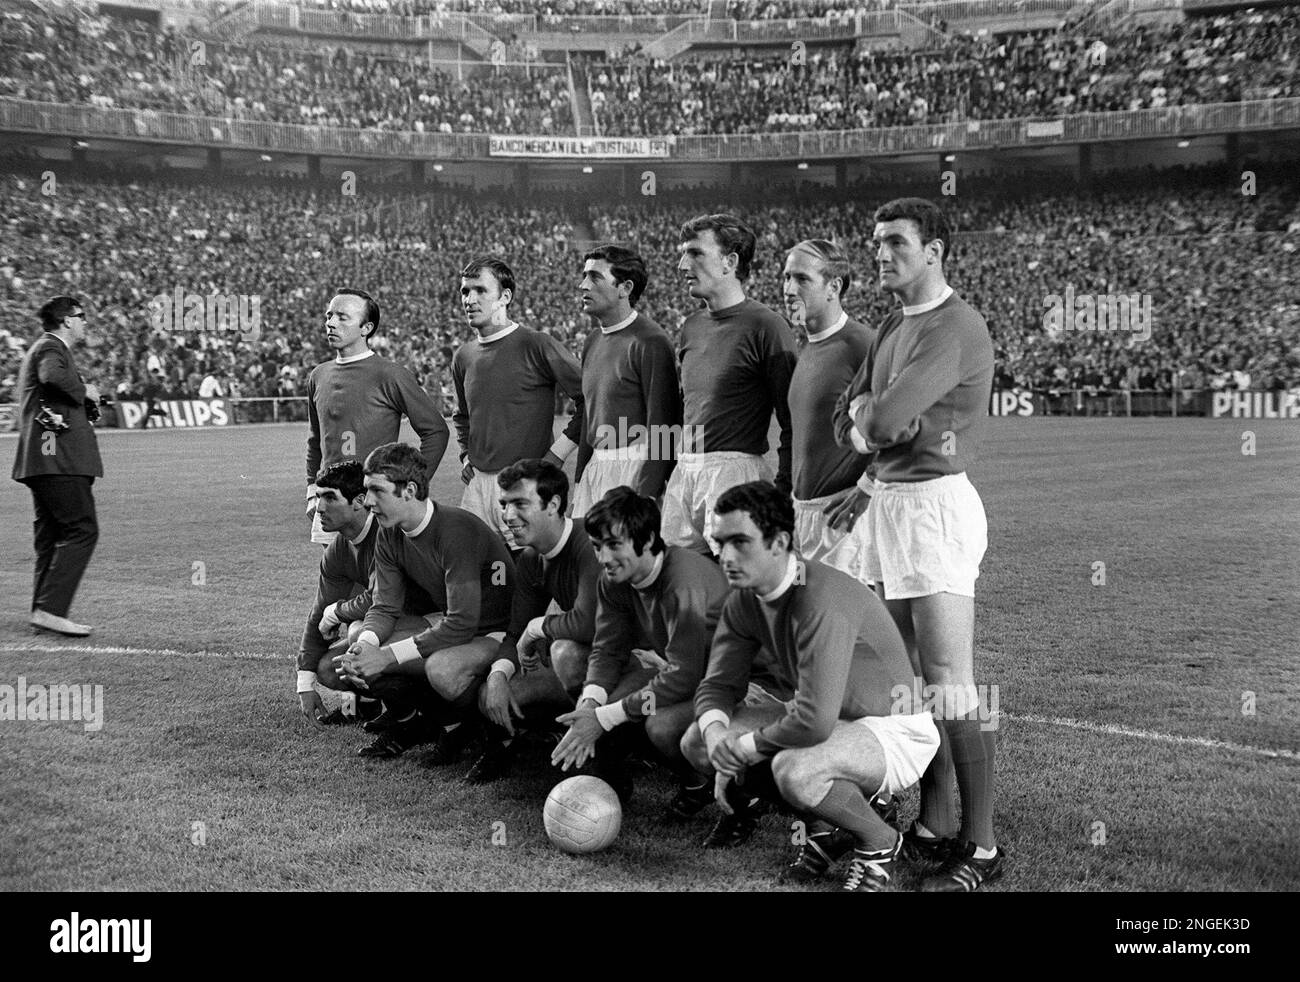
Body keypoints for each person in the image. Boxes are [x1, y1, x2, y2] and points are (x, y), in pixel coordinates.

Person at [832, 197, 1001, 891]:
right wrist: (869, 436)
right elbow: (861, 409)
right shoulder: (893, 326)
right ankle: (932, 823)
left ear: (935, 251)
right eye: (876, 243)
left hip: (935, 509)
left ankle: (983, 846)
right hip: (890, 507)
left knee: (950, 679)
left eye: (897, 242)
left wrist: (871, 419)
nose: (882, 254)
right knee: (907, 680)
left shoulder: (954, 326)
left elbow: (884, 416)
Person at [683, 482, 937, 891]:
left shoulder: (819, 597)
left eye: (740, 542)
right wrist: (717, 739)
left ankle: (878, 841)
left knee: (795, 770)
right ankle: (818, 826)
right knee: (697, 741)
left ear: (780, 542)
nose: (725, 556)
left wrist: (742, 750)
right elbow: (717, 685)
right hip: (824, 717)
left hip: (892, 730)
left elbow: (815, 722)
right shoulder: (745, 597)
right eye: (720, 542)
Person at [552, 486, 729, 827]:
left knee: (659, 724)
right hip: (688, 673)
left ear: (647, 540)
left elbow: (684, 675)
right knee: (611, 706)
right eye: (597, 547)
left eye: (614, 545)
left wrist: (605, 717)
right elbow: (608, 648)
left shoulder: (682, 580)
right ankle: (617, 779)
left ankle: (733, 795)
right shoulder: (614, 578)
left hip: (739, 682)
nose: (603, 558)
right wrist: (590, 707)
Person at [338, 443, 514, 763]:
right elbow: (385, 606)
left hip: (497, 633)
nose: (368, 501)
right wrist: (365, 647)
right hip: (455, 627)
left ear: (410, 490)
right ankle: (425, 724)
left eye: (377, 490)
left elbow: (462, 623)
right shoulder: (389, 531)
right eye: (366, 490)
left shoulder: (455, 529)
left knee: (442, 669)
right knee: (358, 637)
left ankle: (482, 730)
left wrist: (387, 656)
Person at [665, 214, 797, 555]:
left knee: (737, 586)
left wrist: (782, 491)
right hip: (686, 470)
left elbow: (792, 421)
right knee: (680, 584)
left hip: (735, 472)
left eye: (695, 253)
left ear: (730, 261)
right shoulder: (691, 326)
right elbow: (687, 410)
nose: (682, 265)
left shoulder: (767, 326)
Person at [469, 459, 601, 784]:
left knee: (565, 652)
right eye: (504, 504)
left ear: (553, 504)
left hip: (640, 662)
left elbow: (589, 625)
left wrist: (538, 627)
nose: (508, 515)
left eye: (520, 504)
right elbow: (515, 632)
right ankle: (534, 739)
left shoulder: (592, 542)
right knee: (494, 689)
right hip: (593, 664)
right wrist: (499, 677)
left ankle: (612, 751)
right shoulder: (531, 559)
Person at [451, 256, 584, 547]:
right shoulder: (463, 355)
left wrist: (557, 454)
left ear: (505, 296)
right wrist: (464, 454)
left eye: (480, 290)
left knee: (526, 579)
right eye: (465, 291)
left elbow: (590, 399)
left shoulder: (537, 344)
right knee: (472, 569)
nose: (470, 299)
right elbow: (462, 416)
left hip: (525, 482)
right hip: (477, 485)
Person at [305, 288, 449, 545]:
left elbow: (436, 431)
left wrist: (411, 485)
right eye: (329, 315)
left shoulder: (391, 375)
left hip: (375, 501)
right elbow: (316, 439)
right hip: (331, 499)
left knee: (381, 581)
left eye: (342, 317)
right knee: (337, 578)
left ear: (366, 328)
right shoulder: (318, 375)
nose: (330, 322)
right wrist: (311, 492)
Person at [295, 460, 432, 727]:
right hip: (397, 626)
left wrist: (336, 612)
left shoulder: (386, 531)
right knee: (327, 667)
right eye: (318, 497)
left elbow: (380, 597)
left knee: (359, 633)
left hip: (437, 620)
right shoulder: (339, 548)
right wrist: (305, 683)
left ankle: (417, 718)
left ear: (359, 501)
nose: (318, 507)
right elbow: (319, 610)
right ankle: (381, 708)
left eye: (329, 498)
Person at [782, 239, 877, 584]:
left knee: (842, 633)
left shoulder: (862, 345)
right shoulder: (807, 348)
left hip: (843, 519)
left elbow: (907, 424)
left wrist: (867, 485)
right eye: (786, 277)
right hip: (801, 514)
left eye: (802, 279)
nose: (789, 289)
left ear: (834, 287)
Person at [11, 296, 103, 637]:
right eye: (81, 316)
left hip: (42, 459)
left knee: (50, 536)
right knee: (82, 529)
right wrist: (86, 390)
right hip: (58, 459)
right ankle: (51, 610)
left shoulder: (43, 347)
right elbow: (51, 376)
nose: (84, 322)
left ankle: (42, 609)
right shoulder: (52, 348)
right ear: (66, 320)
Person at [571, 245, 681, 516]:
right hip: (596, 468)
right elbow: (589, 415)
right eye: (584, 275)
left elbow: (664, 427)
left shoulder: (650, 341)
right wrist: (579, 480)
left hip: (634, 469)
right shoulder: (592, 340)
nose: (583, 284)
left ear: (625, 287)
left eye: (595, 277)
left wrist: (647, 494)